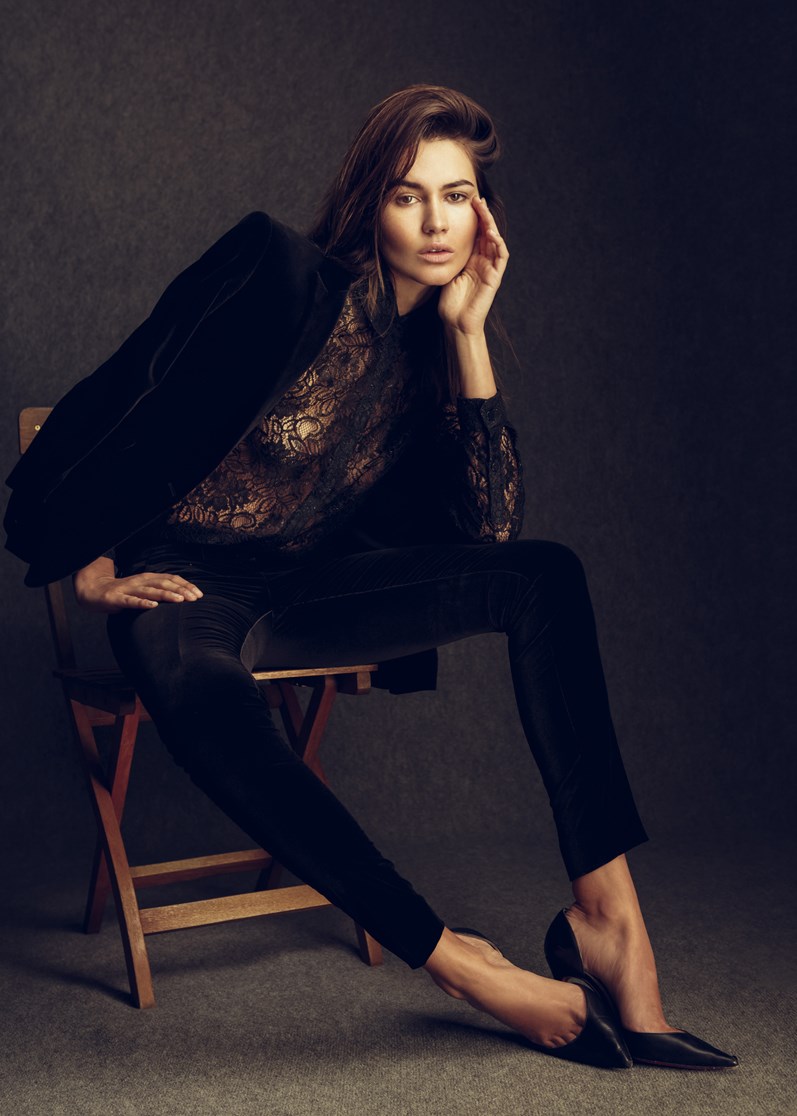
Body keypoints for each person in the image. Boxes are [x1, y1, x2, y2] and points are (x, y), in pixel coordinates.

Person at [5, 85, 736, 1071]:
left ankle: (609, 923)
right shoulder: (271, 271)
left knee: (544, 576)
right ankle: (456, 962)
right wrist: (88, 567)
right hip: (186, 585)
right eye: (407, 195)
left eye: (456, 196)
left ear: (482, 214)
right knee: (208, 702)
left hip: (310, 589)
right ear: (369, 202)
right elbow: (107, 400)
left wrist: (468, 334)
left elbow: (489, 534)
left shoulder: (432, 352)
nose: (435, 223)